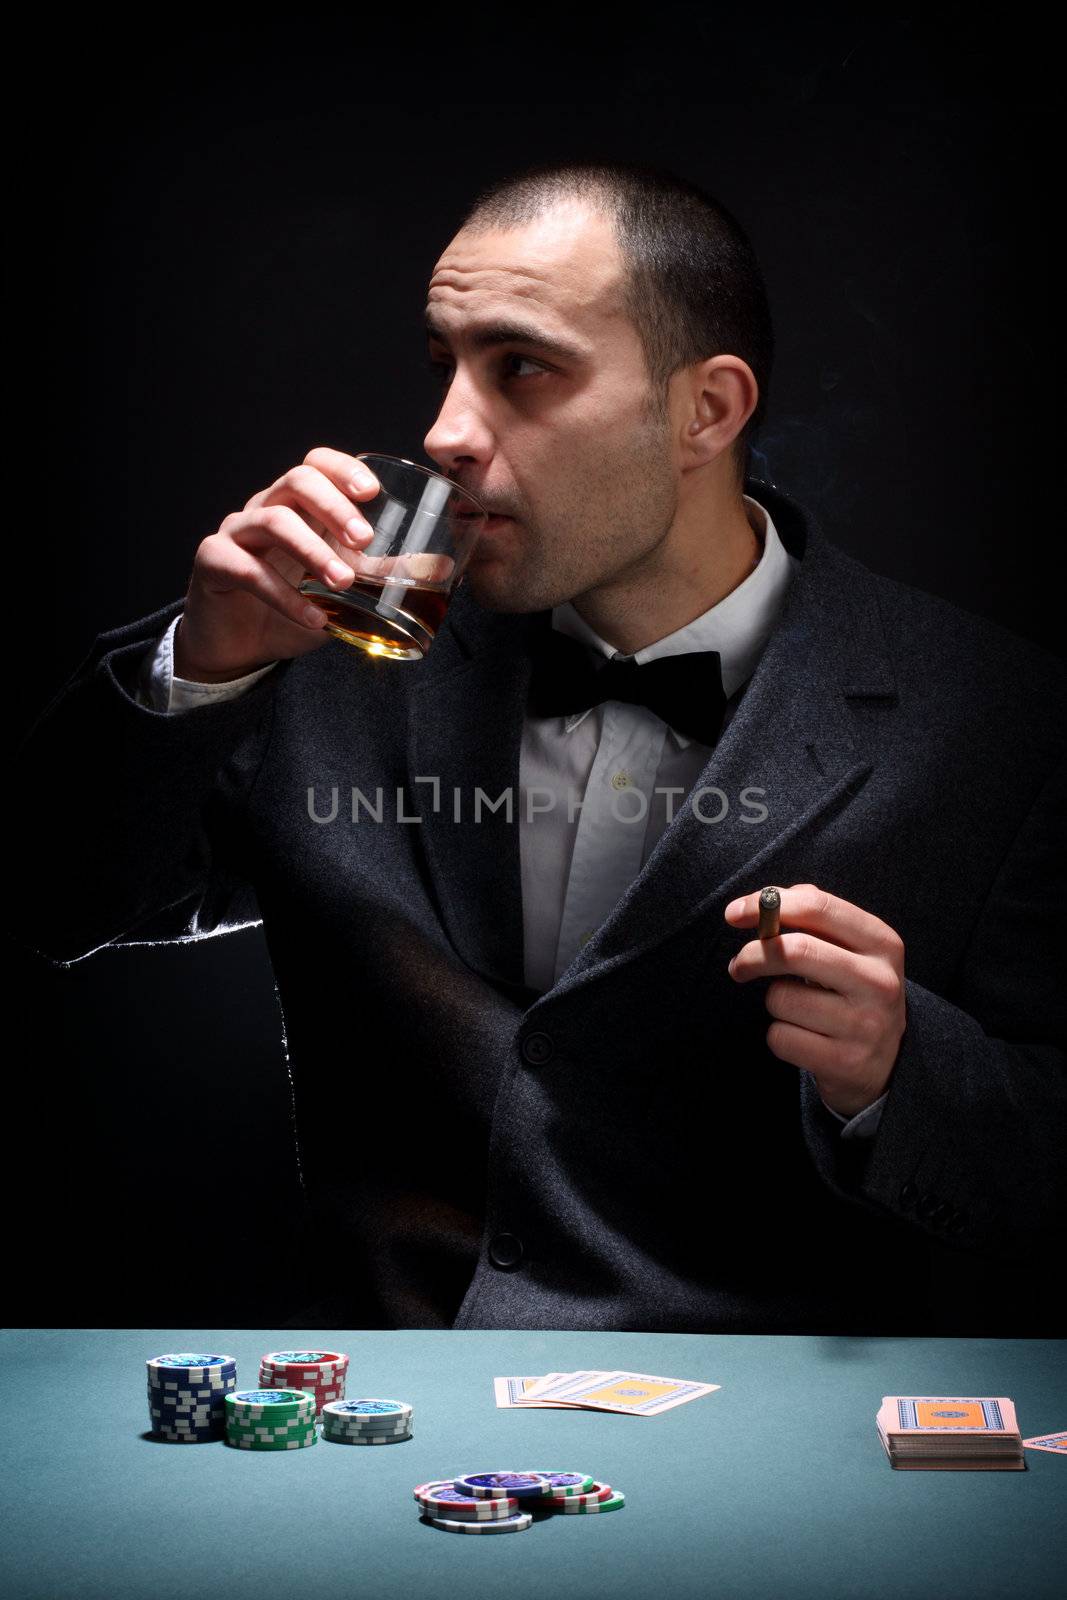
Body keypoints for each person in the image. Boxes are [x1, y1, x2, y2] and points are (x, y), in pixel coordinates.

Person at [15, 159, 1065, 1334]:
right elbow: (48, 899)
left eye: (520, 369)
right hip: (369, 1411)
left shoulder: (991, 719)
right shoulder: (330, 642)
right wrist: (204, 670)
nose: (445, 433)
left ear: (705, 411)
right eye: (442, 368)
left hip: (763, 1444)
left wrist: (897, 1070)